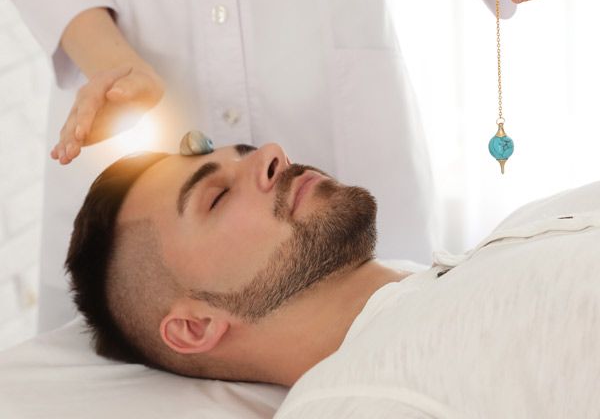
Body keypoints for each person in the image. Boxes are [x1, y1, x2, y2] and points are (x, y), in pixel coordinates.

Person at [0, 0, 578, 336]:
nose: (268, 158)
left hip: (331, 123)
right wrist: (109, 60)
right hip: (130, 159)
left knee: (389, 353)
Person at [65, 141, 600, 417]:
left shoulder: (515, 232)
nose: (273, 153)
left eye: (247, 152)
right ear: (195, 326)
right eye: (219, 195)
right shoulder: (355, 401)